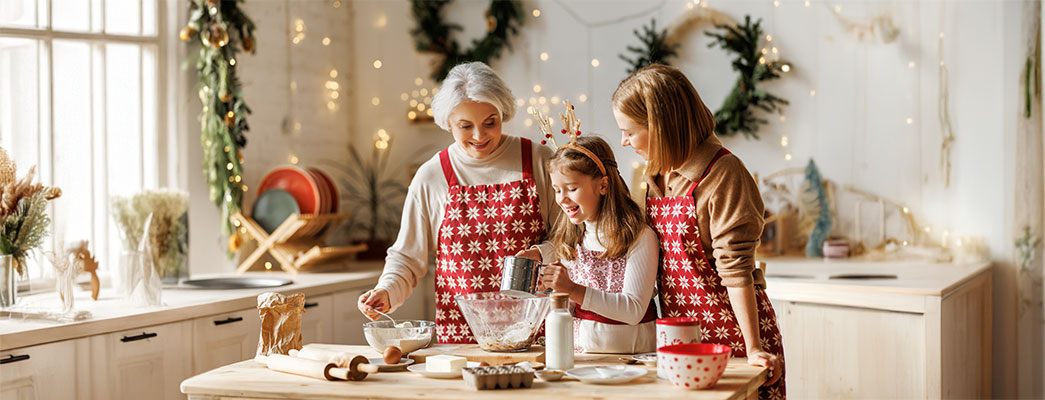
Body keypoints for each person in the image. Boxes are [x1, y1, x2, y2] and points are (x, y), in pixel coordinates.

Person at [612, 64, 785, 399]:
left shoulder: (723, 173)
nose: (623, 140)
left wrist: (754, 350)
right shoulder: (656, 174)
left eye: (630, 131)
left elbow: (735, 270)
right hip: (681, 339)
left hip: (733, 335)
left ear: (661, 127)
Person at [356, 62, 559, 344]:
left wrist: (541, 253)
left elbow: (569, 238)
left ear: (503, 112)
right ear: (448, 122)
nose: (479, 136)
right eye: (465, 126)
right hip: (461, 336)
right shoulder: (432, 175)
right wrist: (386, 291)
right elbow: (406, 257)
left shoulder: (538, 160)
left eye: (491, 122)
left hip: (537, 331)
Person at [536, 134, 659, 354]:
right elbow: (571, 307)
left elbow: (633, 310)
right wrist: (552, 292)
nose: (561, 199)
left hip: (634, 358)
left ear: (603, 185)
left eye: (572, 188)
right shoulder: (572, 239)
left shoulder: (639, 236)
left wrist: (572, 289)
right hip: (583, 356)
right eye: (557, 190)